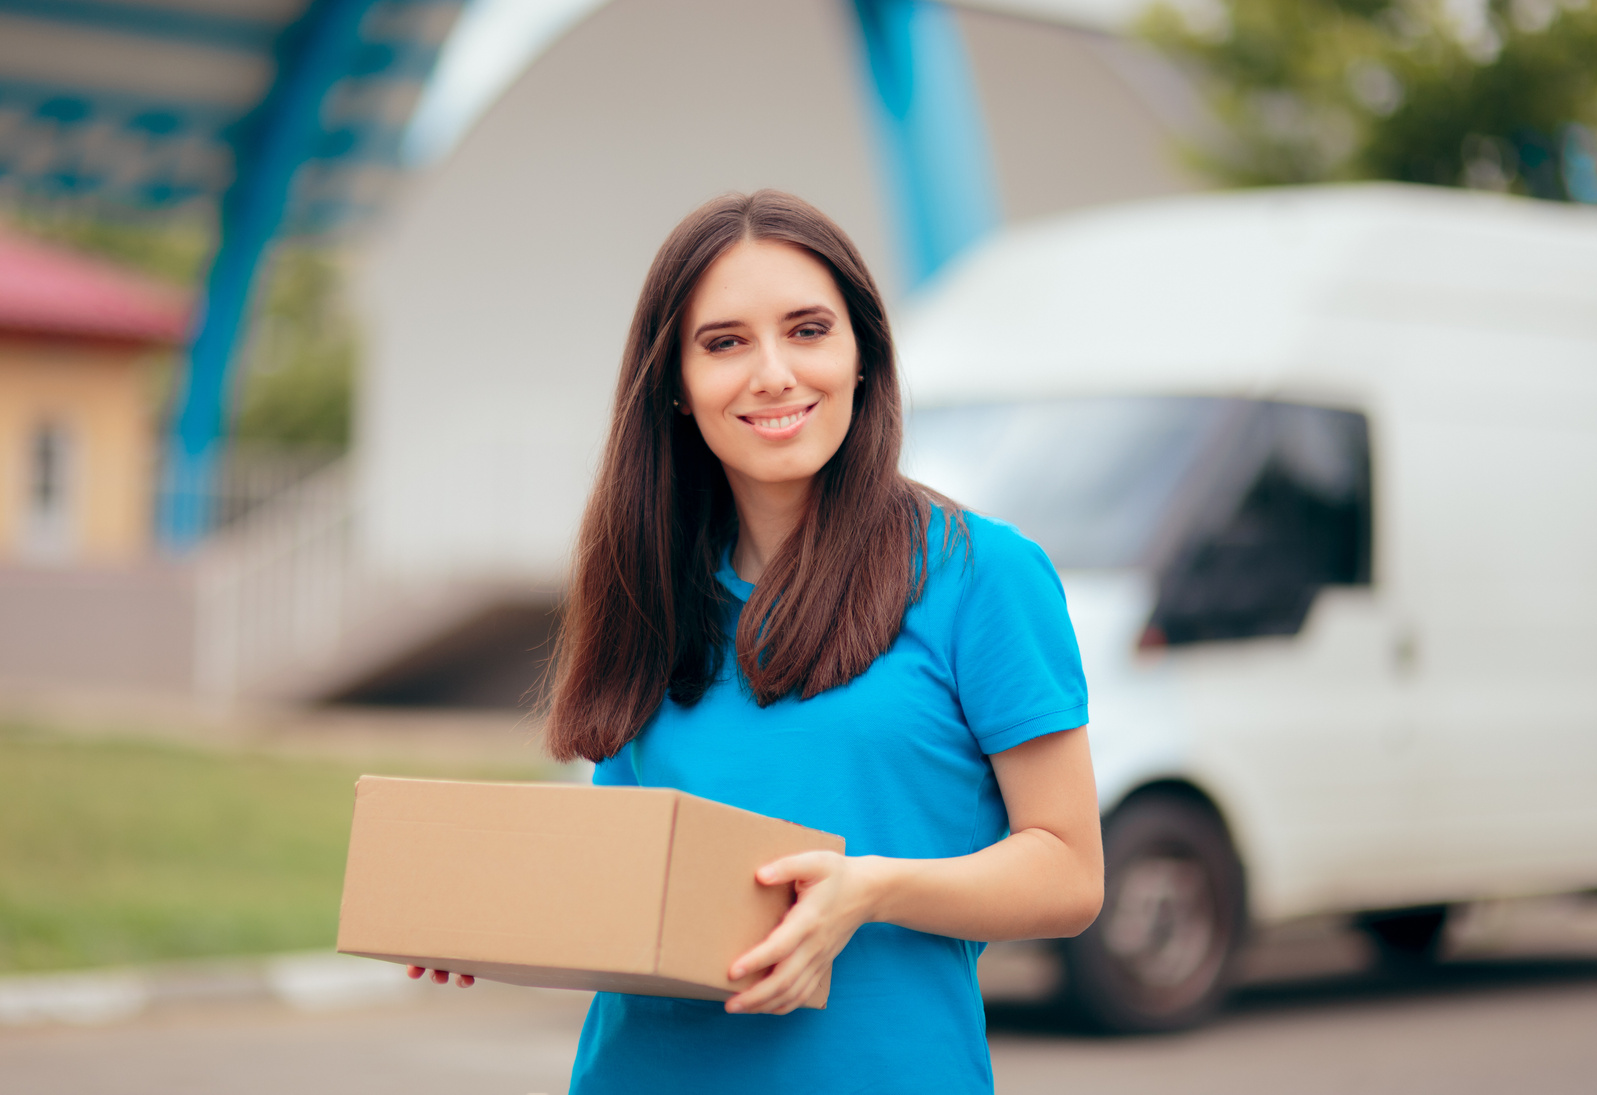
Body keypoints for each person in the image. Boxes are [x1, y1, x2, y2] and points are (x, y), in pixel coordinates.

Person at [412, 190, 1103, 1093]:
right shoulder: (647, 582)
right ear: (674, 382)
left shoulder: (983, 573)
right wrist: (499, 919)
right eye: (725, 342)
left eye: (808, 330)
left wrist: (871, 889)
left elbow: (1069, 871)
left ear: (863, 357)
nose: (773, 373)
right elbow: (638, 873)